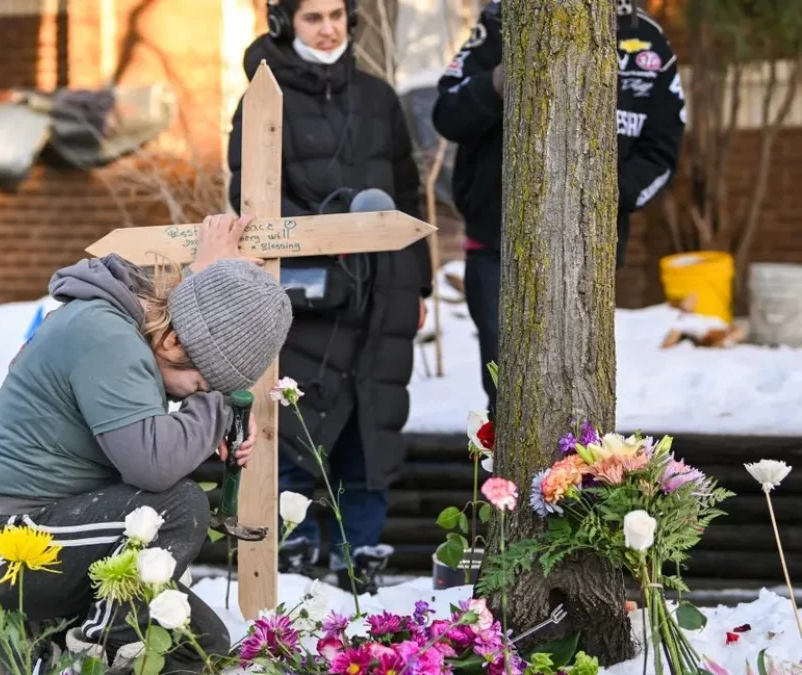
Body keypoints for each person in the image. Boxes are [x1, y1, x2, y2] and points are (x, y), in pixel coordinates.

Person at [0, 214, 293, 674]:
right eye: (197, 385)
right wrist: (215, 411)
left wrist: (219, 403)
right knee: (177, 508)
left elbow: (185, 338)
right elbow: (150, 466)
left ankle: (46, 632)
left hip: (66, 531)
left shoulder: (140, 335)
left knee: (201, 644)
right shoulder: (107, 336)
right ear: (173, 339)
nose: (193, 396)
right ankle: (91, 652)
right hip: (5, 538)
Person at [227, 0, 432, 595]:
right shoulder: (262, 100)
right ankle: (292, 557)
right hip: (306, 295)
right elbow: (253, 202)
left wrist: (416, 281)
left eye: (337, 14)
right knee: (295, 420)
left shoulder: (378, 97)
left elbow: (408, 190)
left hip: (383, 289)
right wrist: (330, 228)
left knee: (372, 424)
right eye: (314, 16)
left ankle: (359, 557)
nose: (328, 26)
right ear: (285, 22)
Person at [432, 0, 685, 416]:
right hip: (497, 246)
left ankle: (580, 480)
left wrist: (603, 197)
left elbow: (663, 150)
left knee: (580, 393)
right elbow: (446, 114)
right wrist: (496, 82)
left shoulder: (647, 40)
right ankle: (506, 482)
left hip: (590, 249)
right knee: (512, 399)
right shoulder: (502, 19)